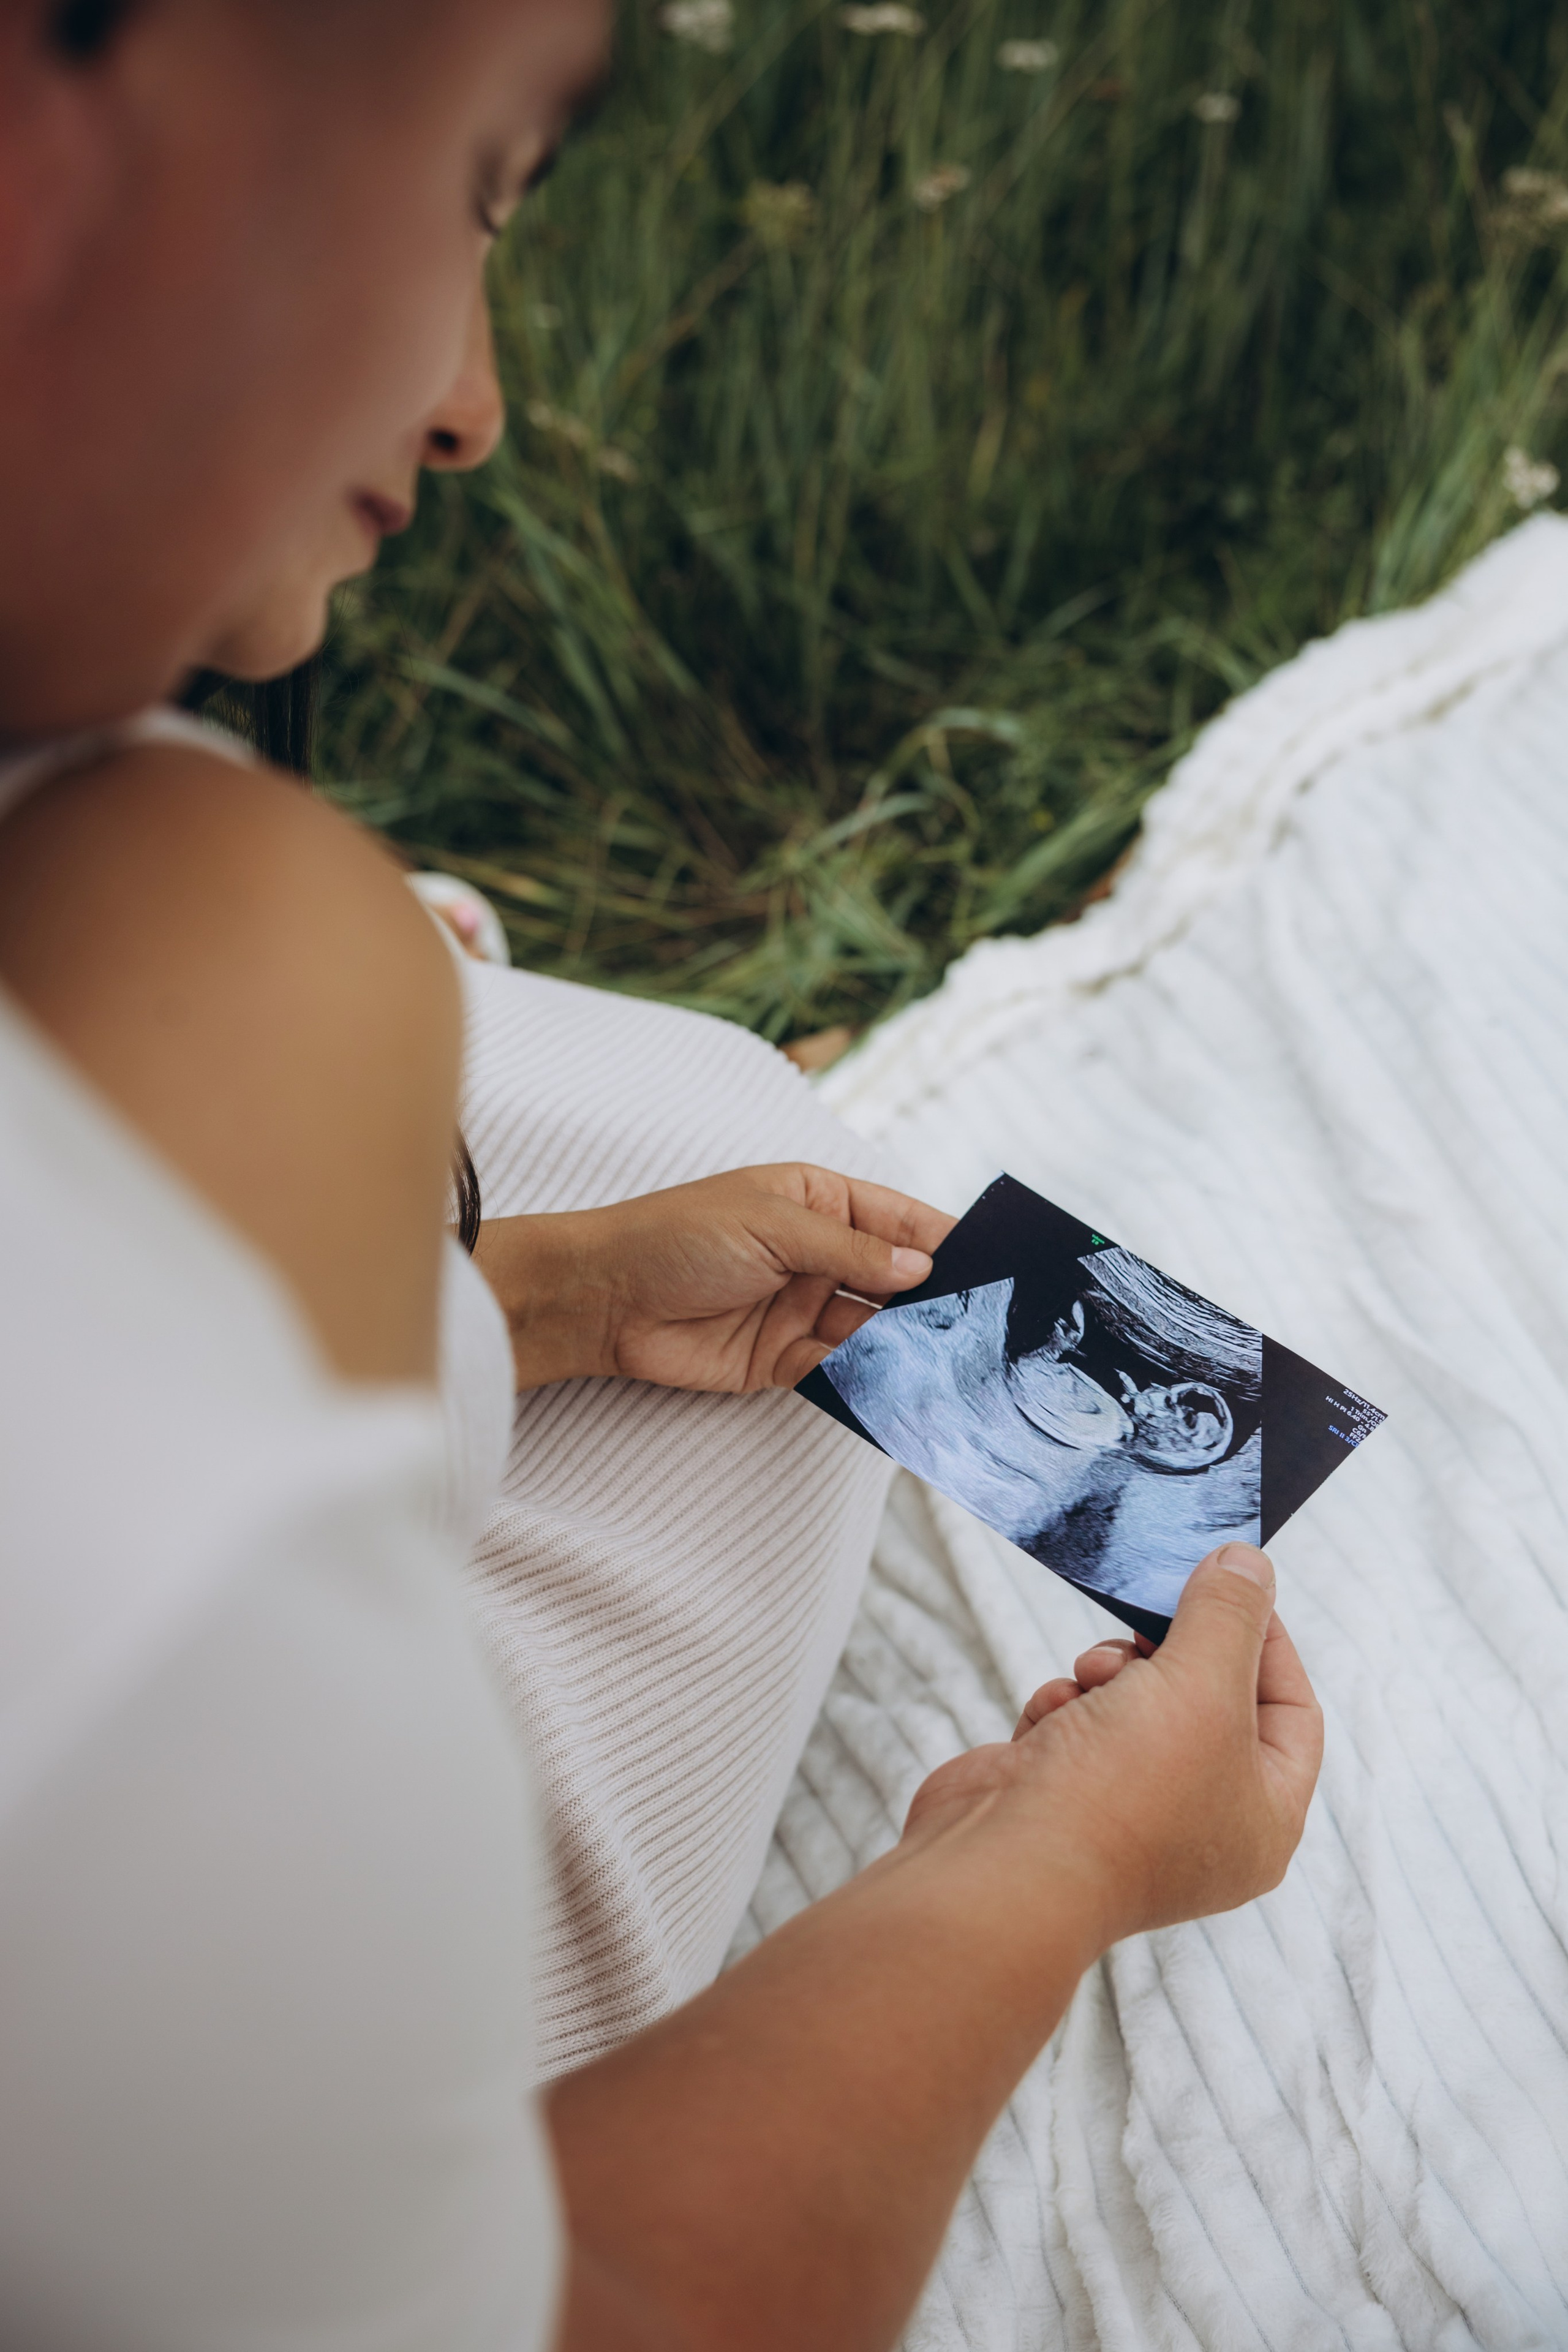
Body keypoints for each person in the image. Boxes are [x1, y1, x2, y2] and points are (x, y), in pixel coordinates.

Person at [0, 7, 1323, 2350]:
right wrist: (1039, 1870)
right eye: (475, 187)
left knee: (726, 1139)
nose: (476, 408)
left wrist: (530, 1292)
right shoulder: (206, 949)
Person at [824, 1249, 1261, 1616]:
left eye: (1173, 1406)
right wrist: (1056, 1350)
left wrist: (1056, 1350)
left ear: (1197, 1445)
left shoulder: (1104, 1429)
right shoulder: (1103, 1423)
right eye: (1172, 1398)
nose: (1153, 1394)